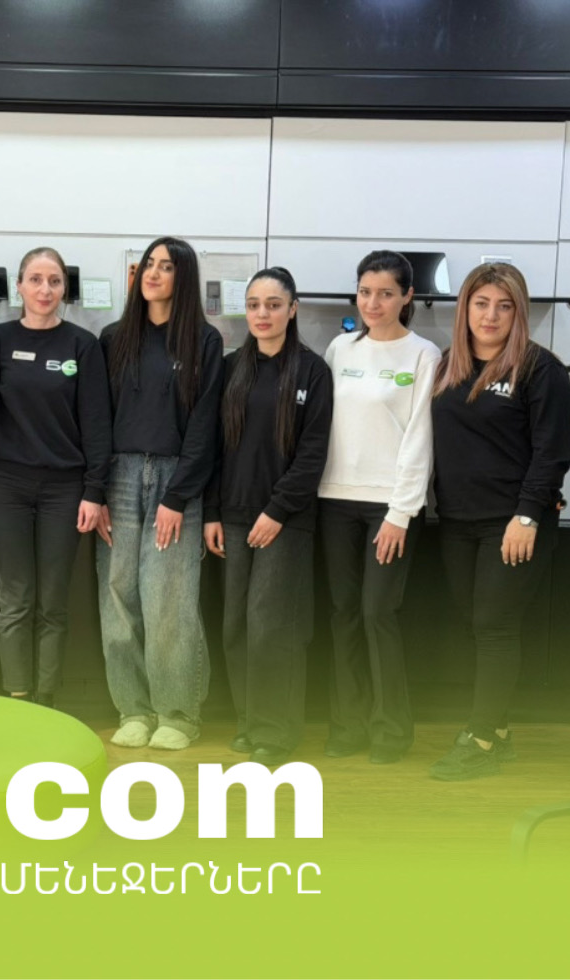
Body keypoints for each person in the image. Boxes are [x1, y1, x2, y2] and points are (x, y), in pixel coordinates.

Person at [429, 262, 570, 780]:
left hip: (512, 523)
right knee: (476, 625)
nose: (490, 316)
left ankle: (482, 738)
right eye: (481, 303)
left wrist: (528, 515)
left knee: (494, 626)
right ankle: (500, 730)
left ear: (519, 312)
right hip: (457, 520)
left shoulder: (540, 369)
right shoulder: (449, 365)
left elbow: (553, 451)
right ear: (465, 308)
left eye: (504, 306)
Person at [98, 236, 223, 750]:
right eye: (148, 264)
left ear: (183, 277)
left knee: (169, 599)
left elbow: (205, 425)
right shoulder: (113, 337)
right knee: (118, 595)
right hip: (119, 476)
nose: (152, 273)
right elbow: (97, 419)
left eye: (166, 267)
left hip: (176, 480)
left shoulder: (204, 341)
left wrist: (177, 496)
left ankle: (178, 712)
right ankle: (133, 708)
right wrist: (97, 490)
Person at [204, 267, 332, 765]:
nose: (263, 314)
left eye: (274, 305)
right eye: (255, 305)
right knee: (236, 624)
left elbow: (313, 453)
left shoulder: (313, 371)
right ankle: (250, 722)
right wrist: (212, 512)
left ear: (292, 309)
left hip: (284, 519)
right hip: (233, 516)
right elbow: (214, 447)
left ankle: (277, 731)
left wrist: (277, 510)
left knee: (271, 625)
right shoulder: (231, 367)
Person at [318, 250, 440, 764]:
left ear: (407, 296)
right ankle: (348, 725)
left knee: (378, 614)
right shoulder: (339, 348)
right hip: (333, 500)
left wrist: (400, 512)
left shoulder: (423, 354)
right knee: (344, 614)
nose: (373, 303)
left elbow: (420, 438)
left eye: (386, 293)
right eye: (365, 292)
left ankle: (391, 730)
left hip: (389, 507)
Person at [0, 247, 111, 707]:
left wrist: (94, 490)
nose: (44, 289)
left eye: (54, 281)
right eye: (35, 279)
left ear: (64, 289)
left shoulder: (82, 345)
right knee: (15, 598)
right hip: (6, 485)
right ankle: (19, 698)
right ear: (19, 285)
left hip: (64, 488)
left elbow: (96, 423)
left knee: (53, 601)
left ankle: (46, 701)